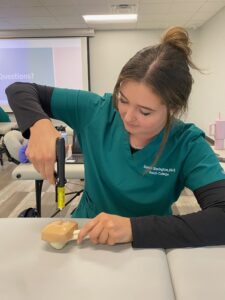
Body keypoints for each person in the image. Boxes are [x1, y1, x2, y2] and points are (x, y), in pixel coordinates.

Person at [6, 27, 225, 249]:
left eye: (145, 112)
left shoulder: (188, 144)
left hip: (149, 245)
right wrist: (39, 125)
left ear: (174, 109)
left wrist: (133, 228)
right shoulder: (96, 111)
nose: (128, 117)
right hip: (86, 234)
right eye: (123, 100)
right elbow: (19, 90)